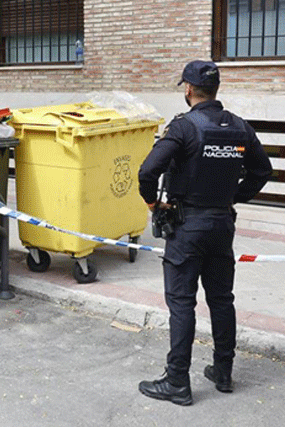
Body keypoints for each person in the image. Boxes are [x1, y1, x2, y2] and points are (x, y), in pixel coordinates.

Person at [137, 60, 272, 405]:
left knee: (182, 303)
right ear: (215, 89)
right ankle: (223, 372)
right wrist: (233, 197)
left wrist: (153, 205)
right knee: (221, 299)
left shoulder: (184, 127)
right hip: (222, 224)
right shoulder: (240, 127)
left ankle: (178, 382)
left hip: (188, 226)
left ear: (188, 89)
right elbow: (263, 171)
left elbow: (148, 171)